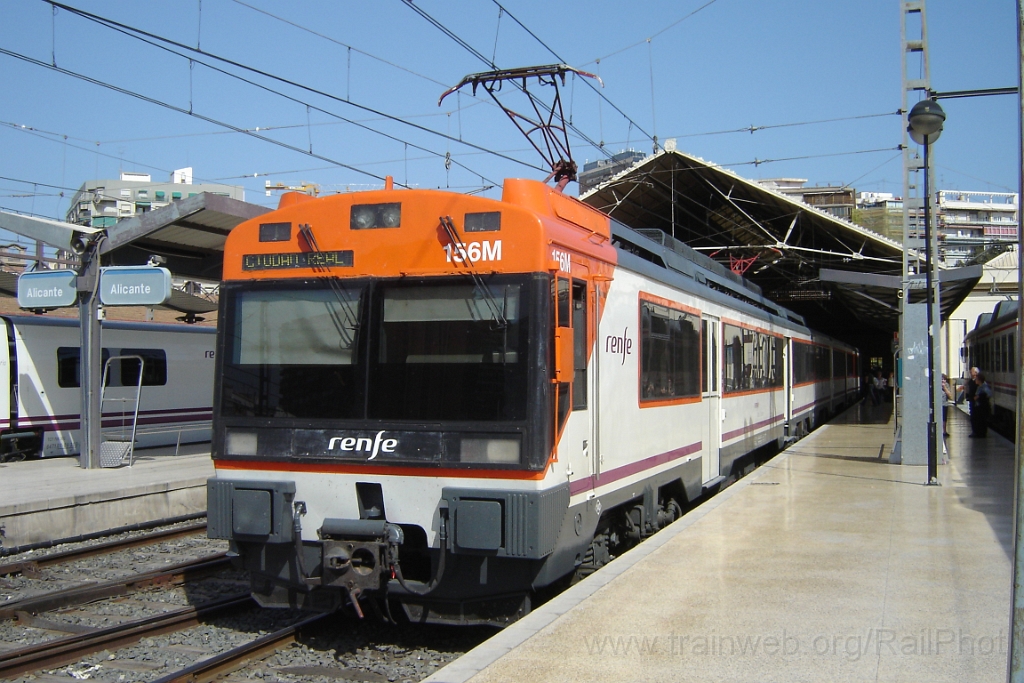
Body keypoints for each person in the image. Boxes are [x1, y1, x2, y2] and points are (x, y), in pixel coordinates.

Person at [970, 372, 993, 438]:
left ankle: (981, 434)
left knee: (982, 421)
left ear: (979, 380)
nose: (975, 381)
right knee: (978, 420)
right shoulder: (980, 387)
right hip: (979, 406)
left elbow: (989, 394)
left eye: (976, 379)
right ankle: (978, 433)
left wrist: (979, 397)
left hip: (982, 407)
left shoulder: (983, 387)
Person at [964, 366, 979, 433]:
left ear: (975, 373)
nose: (970, 372)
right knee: (972, 416)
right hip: (972, 400)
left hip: (977, 401)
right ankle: (974, 431)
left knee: (976, 417)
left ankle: (976, 431)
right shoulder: (970, 381)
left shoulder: (978, 381)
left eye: (971, 371)